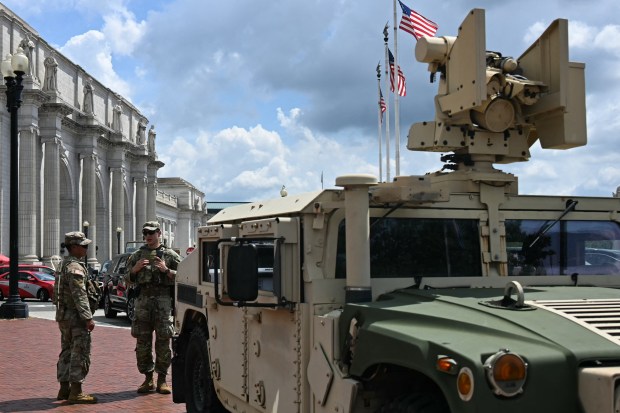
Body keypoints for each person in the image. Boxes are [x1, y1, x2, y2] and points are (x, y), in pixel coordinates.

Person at [126, 221, 180, 394]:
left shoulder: (170, 255)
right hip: (142, 303)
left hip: (163, 303)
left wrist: (166, 270)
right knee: (142, 342)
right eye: (145, 233)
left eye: (151, 232)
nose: (148, 236)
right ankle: (148, 379)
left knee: (164, 341)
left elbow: (185, 278)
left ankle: (162, 380)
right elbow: (125, 280)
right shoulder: (136, 255)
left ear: (159, 233)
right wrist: (134, 270)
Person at [55, 232, 98, 404]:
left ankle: (64, 389)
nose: (87, 248)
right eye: (84, 245)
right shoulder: (75, 268)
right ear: (73, 247)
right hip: (75, 317)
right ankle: (76, 391)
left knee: (66, 351)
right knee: (79, 352)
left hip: (64, 316)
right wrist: (88, 318)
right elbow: (79, 295)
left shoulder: (63, 265)